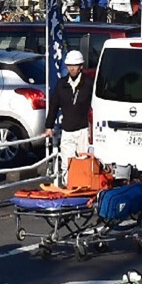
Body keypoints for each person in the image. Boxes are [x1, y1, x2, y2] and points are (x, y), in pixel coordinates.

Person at [50, 49, 92, 183]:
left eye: (75, 65)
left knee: (83, 160)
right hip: (67, 129)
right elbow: (54, 105)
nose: (72, 69)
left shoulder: (89, 84)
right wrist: (48, 126)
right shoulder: (62, 84)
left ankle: (83, 184)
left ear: (81, 66)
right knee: (66, 161)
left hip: (84, 129)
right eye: (69, 66)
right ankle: (69, 185)